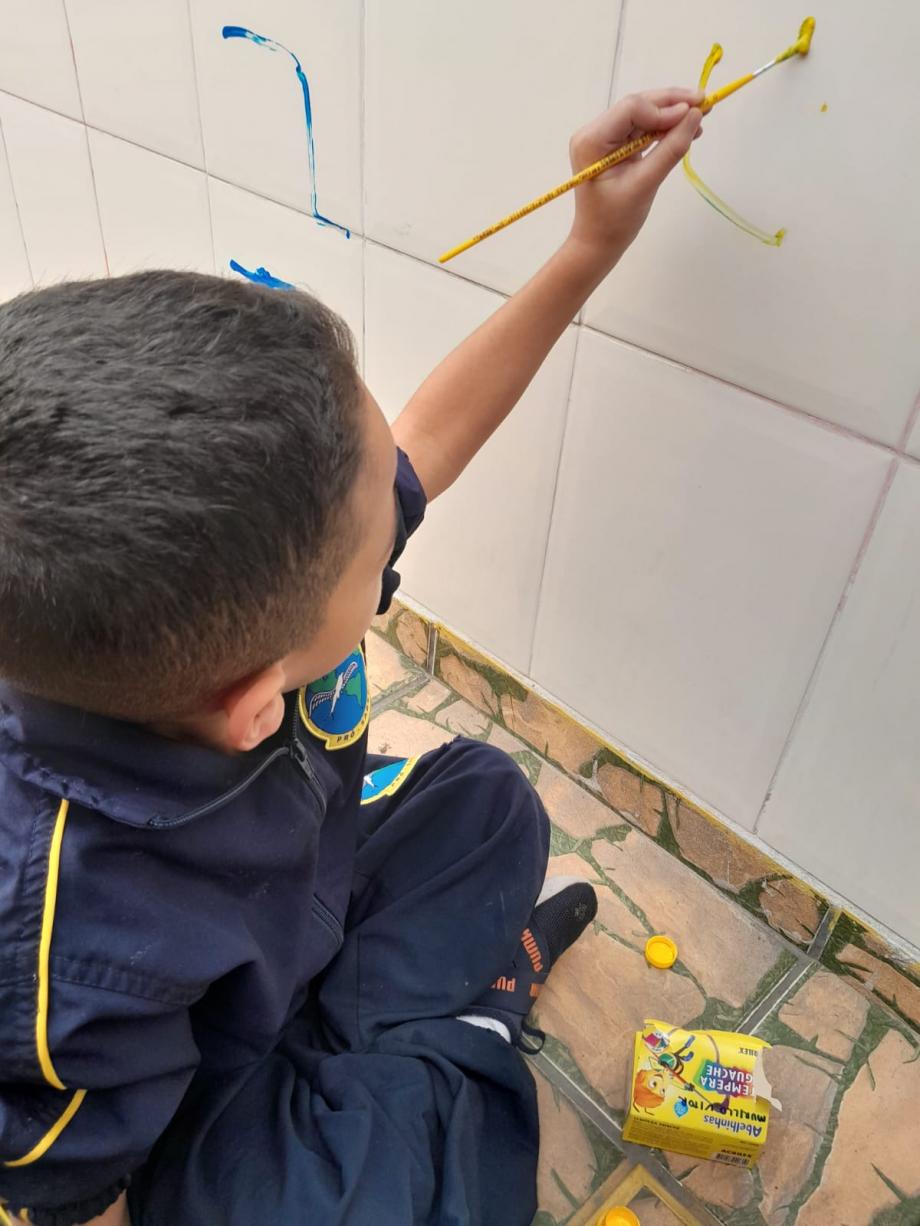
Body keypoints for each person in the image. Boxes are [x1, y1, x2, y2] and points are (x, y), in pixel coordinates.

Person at [0, 90, 702, 1226]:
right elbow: (73, 1194)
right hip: (195, 1099)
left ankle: (416, 1034)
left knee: (487, 802)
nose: (404, 501)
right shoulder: (63, 963)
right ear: (252, 704)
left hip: (292, 903)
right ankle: (455, 1035)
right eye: (380, 538)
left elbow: (426, 439)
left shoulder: (187, 607)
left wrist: (590, 245)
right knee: (387, 1191)